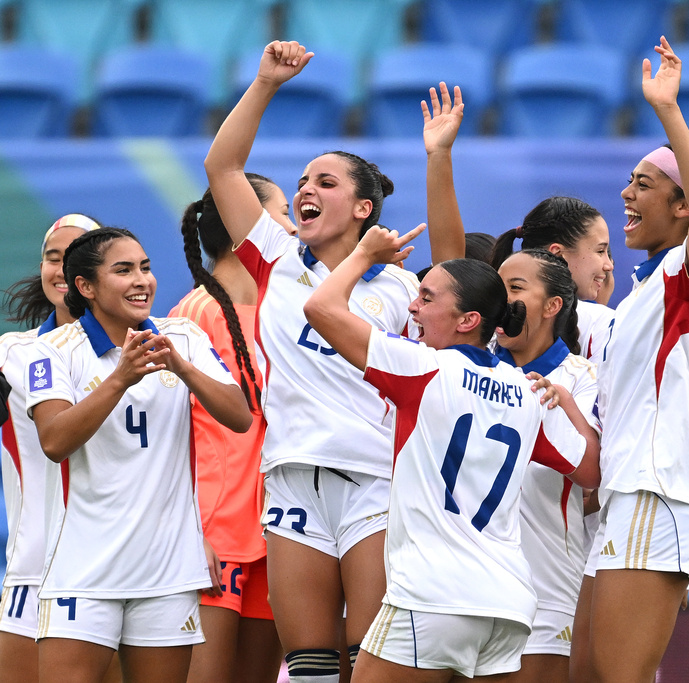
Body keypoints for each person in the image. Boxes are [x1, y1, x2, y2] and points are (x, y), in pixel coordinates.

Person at [204, 41, 464, 683]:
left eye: (325, 183)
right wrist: (264, 82)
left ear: (364, 208)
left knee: (373, 658)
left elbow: (462, 265)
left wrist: (438, 157)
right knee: (311, 661)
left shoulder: (403, 287)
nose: (305, 192)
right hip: (292, 478)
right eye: (301, 185)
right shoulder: (277, 262)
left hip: (376, 480)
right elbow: (223, 167)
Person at [302, 225, 600, 682]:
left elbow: (319, 307)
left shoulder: (421, 367)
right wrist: (565, 401)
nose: (412, 307)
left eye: (426, 297)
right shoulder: (527, 393)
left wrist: (364, 252)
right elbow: (589, 471)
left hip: (433, 595)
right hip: (508, 605)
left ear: (467, 321)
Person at [580, 37, 689, 683]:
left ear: (679, 206)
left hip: (660, 493)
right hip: (631, 492)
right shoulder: (645, 287)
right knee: (596, 673)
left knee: (620, 675)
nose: (625, 193)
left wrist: (668, 111)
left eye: (642, 183)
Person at [26, 227, 251, 683]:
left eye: (145, 268)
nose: (141, 280)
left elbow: (240, 417)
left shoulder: (182, 336)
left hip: (168, 569)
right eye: (123, 270)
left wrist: (182, 367)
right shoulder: (48, 350)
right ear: (86, 287)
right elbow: (54, 441)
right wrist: (120, 379)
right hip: (82, 569)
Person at [170, 176, 294, 683]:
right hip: (215, 534)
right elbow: (171, 440)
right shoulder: (193, 315)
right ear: (249, 224)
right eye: (282, 213)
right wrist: (190, 531)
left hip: (277, 532)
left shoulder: (285, 311)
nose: (290, 226)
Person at [491, 249, 601, 683]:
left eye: (515, 289)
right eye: (498, 290)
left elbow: (592, 477)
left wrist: (565, 405)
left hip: (547, 585)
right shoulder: (464, 364)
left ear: (552, 305)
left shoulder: (583, 376)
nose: (503, 300)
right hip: (469, 584)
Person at [0, 214, 100, 683]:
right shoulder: (10, 354)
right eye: (51, 258)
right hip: (32, 571)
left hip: (124, 567)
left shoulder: (150, 351)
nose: (61, 270)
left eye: (74, 257)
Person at [490, 197, 615, 361]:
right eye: (600, 251)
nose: (608, 265)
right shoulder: (602, 322)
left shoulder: (486, 319)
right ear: (558, 254)